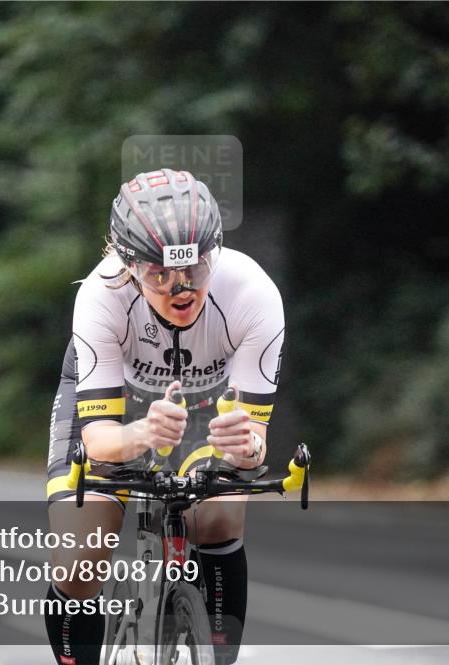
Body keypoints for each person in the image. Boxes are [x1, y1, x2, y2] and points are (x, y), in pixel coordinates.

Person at [45, 168, 285, 665]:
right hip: (118, 411)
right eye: (158, 275)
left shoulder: (252, 296)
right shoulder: (100, 296)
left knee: (218, 517)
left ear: (213, 253)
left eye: (194, 270)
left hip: (206, 405)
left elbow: (254, 442)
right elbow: (98, 440)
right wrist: (139, 433)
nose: (181, 290)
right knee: (80, 556)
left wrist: (247, 445)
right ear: (127, 265)